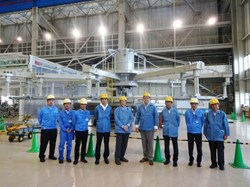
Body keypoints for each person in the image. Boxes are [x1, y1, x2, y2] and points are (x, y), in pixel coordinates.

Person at [204, 98, 230, 171]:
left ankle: (221, 164)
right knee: (212, 151)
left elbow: (226, 125)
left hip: (219, 136)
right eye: (212, 105)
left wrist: (226, 134)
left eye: (216, 104)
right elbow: (205, 124)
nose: (214, 106)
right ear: (211, 106)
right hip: (211, 136)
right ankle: (214, 163)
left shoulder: (222, 114)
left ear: (218, 105)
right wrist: (205, 132)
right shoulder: (208, 114)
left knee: (220, 151)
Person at [135, 92, 158, 166]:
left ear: (149, 99)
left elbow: (155, 116)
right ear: (143, 99)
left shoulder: (153, 107)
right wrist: (136, 125)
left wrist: (156, 126)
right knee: (144, 143)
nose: (146, 99)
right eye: (145, 98)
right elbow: (138, 116)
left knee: (150, 143)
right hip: (142, 128)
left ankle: (150, 157)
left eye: (147, 98)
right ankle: (145, 157)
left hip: (150, 128)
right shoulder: (140, 107)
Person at [160, 96, 180, 167]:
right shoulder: (163, 111)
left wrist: (175, 126)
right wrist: (163, 126)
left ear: (171, 103)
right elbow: (161, 119)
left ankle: (175, 161)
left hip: (174, 131)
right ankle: (167, 159)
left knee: (175, 146)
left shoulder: (175, 111)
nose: (168, 104)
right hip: (166, 131)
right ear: (165, 103)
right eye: (167, 102)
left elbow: (178, 120)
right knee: (166, 146)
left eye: (169, 102)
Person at [38, 94, 58, 162]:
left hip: (53, 129)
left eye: (52, 100)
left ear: (53, 101)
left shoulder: (56, 109)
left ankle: (51, 155)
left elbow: (57, 118)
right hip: (45, 129)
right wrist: (44, 125)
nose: (51, 102)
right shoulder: (43, 109)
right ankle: (41, 156)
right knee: (43, 143)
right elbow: (39, 118)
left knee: (53, 143)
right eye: (49, 100)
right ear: (47, 101)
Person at [114, 96, 134, 165]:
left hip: (126, 130)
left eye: (124, 101)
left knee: (124, 145)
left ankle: (122, 156)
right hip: (119, 130)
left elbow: (131, 118)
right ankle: (117, 158)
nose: (123, 102)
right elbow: (116, 119)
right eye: (121, 101)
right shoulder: (117, 110)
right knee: (118, 145)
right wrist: (122, 126)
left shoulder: (129, 110)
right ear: (120, 102)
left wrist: (127, 125)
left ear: (126, 102)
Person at [185, 98, 204, 167]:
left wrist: (198, 128)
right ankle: (191, 160)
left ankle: (199, 161)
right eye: (192, 104)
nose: (194, 105)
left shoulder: (201, 112)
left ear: (197, 104)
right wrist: (190, 127)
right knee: (190, 147)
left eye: (195, 104)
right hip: (190, 132)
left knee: (199, 147)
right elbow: (187, 121)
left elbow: (202, 122)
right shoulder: (187, 112)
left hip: (198, 132)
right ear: (190, 104)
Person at [94, 93, 112, 165]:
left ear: (107, 100)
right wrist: (99, 123)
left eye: (105, 99)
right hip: (99, 129)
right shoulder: (97, 108)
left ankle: (106, 157)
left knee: (106, 144)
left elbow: (110, 117)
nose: (104, 100)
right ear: (101, 100)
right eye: (102, 99)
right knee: (98, 144)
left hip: (107, 129)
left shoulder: (109, 108)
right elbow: (96, 116)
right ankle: (97, 158)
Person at [72, 98, 90, 165]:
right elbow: (74, 122)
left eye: (84, 104)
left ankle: (83, 158)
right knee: (77, 145)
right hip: (78, 131)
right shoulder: (76, 113)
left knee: (84, 145)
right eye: (82, 104)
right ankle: (76, 159)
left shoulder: (88, 112)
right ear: (80, 105)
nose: (83, 106)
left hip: (85, 130)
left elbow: (87, 120)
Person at [58, 98, 74, 164]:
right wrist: (65, 129)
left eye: (68, 104)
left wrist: (71, 129)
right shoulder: (61, 113)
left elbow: (74, 122)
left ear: (70, 105)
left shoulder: (73, 113)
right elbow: (60, 123)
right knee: (61, 144)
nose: (67, 105)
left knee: (69, 145)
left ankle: (68, 157)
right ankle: (61, 158)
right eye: (66, 104)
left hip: (70, 132)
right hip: (63, 132)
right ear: (64, 105)